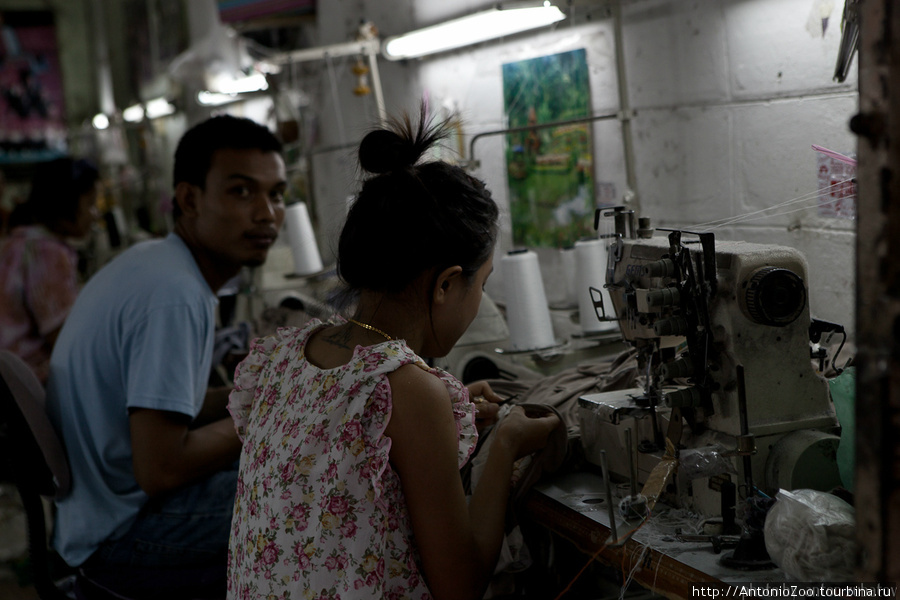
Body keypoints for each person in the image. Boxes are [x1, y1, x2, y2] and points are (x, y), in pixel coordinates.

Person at [227, 108, 561, 600]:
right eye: (481, 285)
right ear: (447, 284)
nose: (479, 301)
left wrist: (443, 415)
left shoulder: (288, 354)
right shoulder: (409, 392)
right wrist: (505, 443)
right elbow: (459, 585)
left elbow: (341, 443)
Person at [45, 115, 287, 599]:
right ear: (190, 199)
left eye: (276, 194)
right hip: (118, 537)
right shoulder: (177, 295)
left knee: (289, 465)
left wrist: (266, 391)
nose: (267, 214)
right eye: (242, 192)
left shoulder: (157, 263)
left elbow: (170, 410)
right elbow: (161, 469)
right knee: (311, 494)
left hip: (95, 512)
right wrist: (269, 415)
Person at [0, 157, 98, 383]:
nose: (94, 215)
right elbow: (66, 340)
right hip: (32, 385)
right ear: (67, 203)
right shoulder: (48, 253)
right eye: (90, 204)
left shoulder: (16, 242)